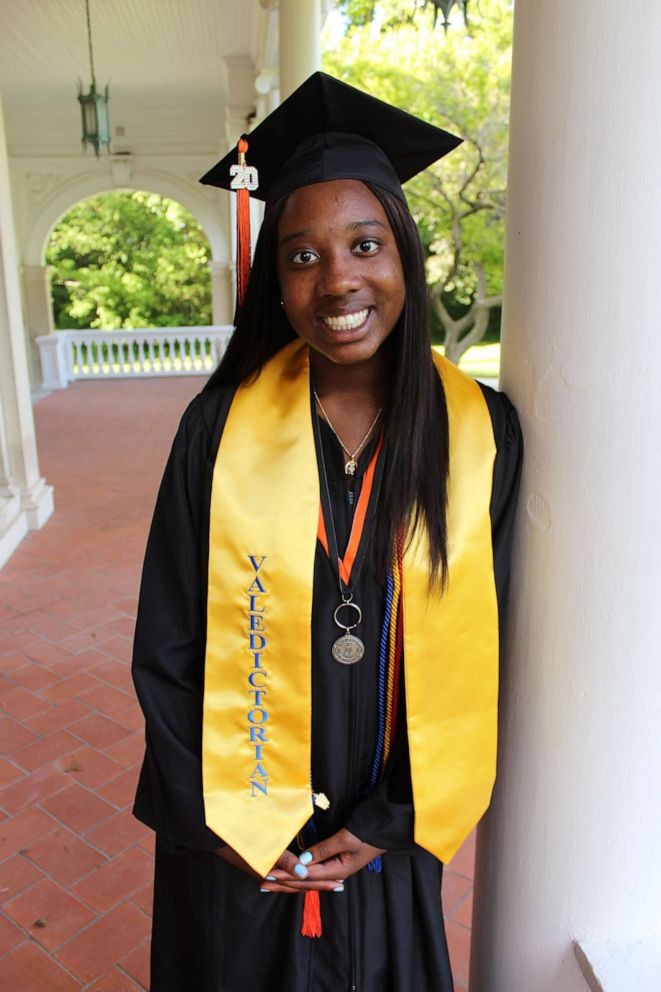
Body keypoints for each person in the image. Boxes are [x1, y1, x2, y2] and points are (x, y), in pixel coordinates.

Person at [131, 72, 523, 992]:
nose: (337, 278)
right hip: (238, 846)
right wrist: (219, 816)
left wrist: (394, 819)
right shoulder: (219, 428)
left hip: (381, 842)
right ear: (277, 279)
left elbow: (489, 646)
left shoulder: (479, 433)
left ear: (404, 257)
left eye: (363, 244)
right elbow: (167, 640)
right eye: (302, 256)